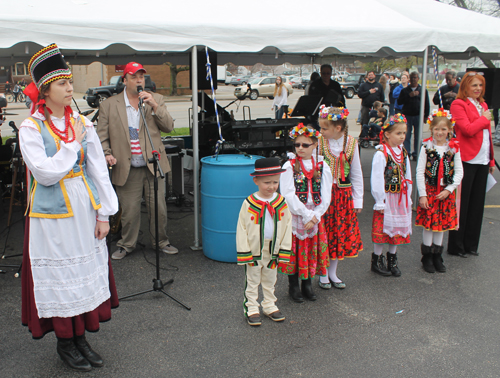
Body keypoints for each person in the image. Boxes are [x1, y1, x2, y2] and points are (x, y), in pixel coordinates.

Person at [19, 44, 119, 372]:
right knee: (63, 274)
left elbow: (97, 170)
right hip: (52, 216)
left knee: (83, 273)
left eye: (70, 81)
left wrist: (104, 213)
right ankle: (65, 341)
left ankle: (81, 338)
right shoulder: (31, 128)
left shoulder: (81, 122)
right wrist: (72, 144)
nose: (70, 88)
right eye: (62, 83)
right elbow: (46, 173)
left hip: (83, 208)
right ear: (45, 91)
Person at [98, 62, 178, 259]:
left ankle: (161, 241)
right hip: (126, 166)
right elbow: (101, 135)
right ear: (124, 80)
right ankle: (127, 244)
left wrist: (154, 105)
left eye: (141, 76)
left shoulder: (156, 99)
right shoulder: (109, 104)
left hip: (153, 165)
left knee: (158, 209)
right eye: (133, 76)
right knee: (130, 211)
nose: (139, 80)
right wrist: (106, 152)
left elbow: (168, 127)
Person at [278, 124, 332, 302]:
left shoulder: (322, 165)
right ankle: (293, 285)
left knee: (310, 250)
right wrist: (306, 214)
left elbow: (326, 194)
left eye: (305, 145)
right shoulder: (289, 165)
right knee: (294, 250)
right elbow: (287, 194)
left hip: (315, 214)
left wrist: (316, 215)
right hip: (296, 214)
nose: (300, 148)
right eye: (297, 145)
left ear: (315, 145)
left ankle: (307, 283)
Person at [236, 158, 292, 326]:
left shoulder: (281, 202)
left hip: (273, 248)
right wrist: (245, 251)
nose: (271, 186)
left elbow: (288, 226)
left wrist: (284, 249)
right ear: (256, 181)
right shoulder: (249, 203)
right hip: (254, 250)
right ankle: (251, 307)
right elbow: (242, 228)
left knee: (270, 278)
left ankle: (269, 304)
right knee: (252, 280)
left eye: (275, 182)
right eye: (267, 182)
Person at [448, 71, 495, 258]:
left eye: (480, 85)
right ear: (465, 86)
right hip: (466, 160)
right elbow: (467, 130)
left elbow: (487, 135)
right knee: (463, 204)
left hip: (483, 159)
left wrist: (491, 159)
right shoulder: (458, 104)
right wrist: (484, 119)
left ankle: (471, 244)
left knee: (477, 204)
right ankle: (456, 246)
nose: (478, 89)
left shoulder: (483, 104)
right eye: (474, 85)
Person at [317, 106, 363, 290]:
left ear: (337, 128)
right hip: (324, 196)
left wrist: (358, 199)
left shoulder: (351, 143)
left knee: (338, 234)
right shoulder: (319, 143)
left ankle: (333, 272)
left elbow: (357, 173)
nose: (321, 131)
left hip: (343, 197)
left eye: (324, 128)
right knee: (324, 234)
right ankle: (322, 273)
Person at [416, 109, 463, 273]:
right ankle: (427, 256)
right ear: (432, 130)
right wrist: (422, 194)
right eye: (437, 129)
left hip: (445, 194)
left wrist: (449, 190)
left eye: (444, 129)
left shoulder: (454, 148)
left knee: (441, 225)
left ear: (449, 130)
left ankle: (437, 256)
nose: (440, 132)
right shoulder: (426, 147)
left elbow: (459, 172)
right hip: (430, 192)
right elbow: (420, 171)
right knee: (429, 226)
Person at [370, 114, 412, 277]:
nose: (402, 137)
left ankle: (392, 258)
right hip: (388, 198)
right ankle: (377, 259)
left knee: (396, 229)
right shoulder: (381, 154)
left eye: (403, 133)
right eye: (398, 133)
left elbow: (407, 176)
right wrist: (380, 200)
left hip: (400, 198)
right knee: (382, 230)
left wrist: (408, 196)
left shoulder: (403, 152)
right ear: (387, 134)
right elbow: (377, 178)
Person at [398, 71, 430, 159]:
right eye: (412, 78)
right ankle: (407, 153)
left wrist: (425, 115)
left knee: (418, 135)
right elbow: (399, 101)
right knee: (406, 135)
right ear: (409, 79)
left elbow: (426, 103)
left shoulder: (423, 90)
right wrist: (409, 96)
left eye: (415, 77)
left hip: (418, 115)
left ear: (418, 79)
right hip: (407, 115)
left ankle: (416, 153)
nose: (413, 79)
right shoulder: (405, 90)